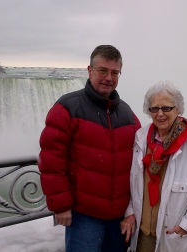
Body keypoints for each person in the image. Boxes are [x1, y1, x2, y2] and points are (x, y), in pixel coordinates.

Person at [38, 45, 141, 252]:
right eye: (103, 70)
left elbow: (143, 154)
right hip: (84, 215)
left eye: (114, 72)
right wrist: (61, 205)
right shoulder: (67, 108)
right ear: (90, 70)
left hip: (119, 216)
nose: (108, 77)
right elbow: (51, 160)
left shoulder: (127, 113)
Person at [120, 82, 187, 252]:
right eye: (154, 109)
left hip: (175, 234)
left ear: (178, 109)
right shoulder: (141, 139)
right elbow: (133, 183)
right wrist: (130, 213)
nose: (160, 114)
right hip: (143, 235)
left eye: (166, 108)